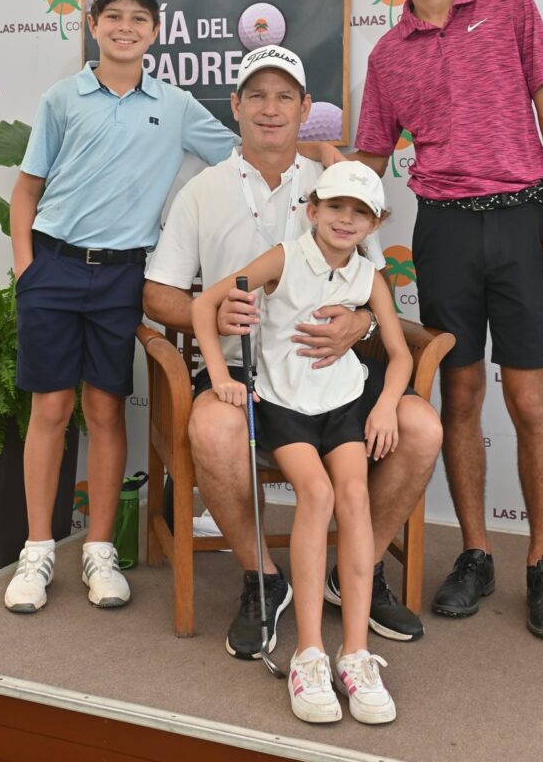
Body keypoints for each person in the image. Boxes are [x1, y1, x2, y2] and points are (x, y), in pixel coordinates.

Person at [143, 44, 443, 659]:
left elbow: (374, 287)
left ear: (306, 108)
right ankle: (263, 578)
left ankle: (355, 570)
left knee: (420, 427)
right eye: (256, 95)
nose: (270, 109)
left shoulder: (336, 183)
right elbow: (157, 293)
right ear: (235, 105)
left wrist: (359, 324)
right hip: (243, 369)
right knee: (216, 430)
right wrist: (213, 313)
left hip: (335, 370)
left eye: (285, 96)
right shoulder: (200, 190)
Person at [354, 0, 543, 639]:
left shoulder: (511, 7)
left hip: (522, 220)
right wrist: (303, 172)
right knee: (458, 397)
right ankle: (476, 554)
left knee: (530, 400)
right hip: (443, 231)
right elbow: (370, 157)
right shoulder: (387, 54)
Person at [4, 0, 240, 613]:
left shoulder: (176, 105)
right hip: (53, 269)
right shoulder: (62, 98)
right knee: (51, 409)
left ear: (156, 32)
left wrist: (319, 154)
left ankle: (99, 549)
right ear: (93, 25)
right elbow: (26, 189)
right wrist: (26, 268)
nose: (125, 27)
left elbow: (242, 154)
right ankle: (37, 550)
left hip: (120, 277)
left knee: (106, 409)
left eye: (139, 17)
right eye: (113, 15)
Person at [192, 161, 412, 724]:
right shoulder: (284, 256)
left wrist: (387, 404)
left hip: (344, 403)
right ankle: (308, 653)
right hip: (284, 404)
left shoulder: (370, 278)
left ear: (374, 224)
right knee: (317, 493)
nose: (345, 219)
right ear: (312, 210)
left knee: (354, 495)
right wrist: (218, 375)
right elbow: (203, 304)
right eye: (335, 206)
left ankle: (355, 654)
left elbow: (400, 354)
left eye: (360, 212)